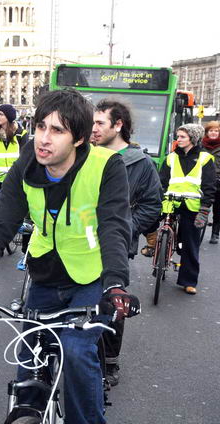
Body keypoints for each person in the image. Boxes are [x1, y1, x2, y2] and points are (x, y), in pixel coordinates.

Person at [0, 89, 138, 424]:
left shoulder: (106, 166)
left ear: (79, 138)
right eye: (40, 127)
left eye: (57, 130)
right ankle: (29, 411)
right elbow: (1, 225)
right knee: (29, 351)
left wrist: (116, 284)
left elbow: (115, 228)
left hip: (91, 278)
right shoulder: (27, 164)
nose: (44, 139)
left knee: (76, 352)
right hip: (45, 275)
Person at [91, 98, 162, 387]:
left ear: (118, 125)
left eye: (100, 123)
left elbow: (152, 204)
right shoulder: (85, 153)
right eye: (92, 123)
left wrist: (124, 228)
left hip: (116, 244)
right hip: (80, 241)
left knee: (112, 301)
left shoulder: (141, 163)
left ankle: (109, 362)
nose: (93, 129)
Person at [159, 124, 215, 295]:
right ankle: (154, 247)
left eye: (182, 136)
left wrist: (204, 210)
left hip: (192, 206)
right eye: (178, 136)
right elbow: (161, 182)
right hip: (170, 203)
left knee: (190, 243)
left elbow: (209, 186)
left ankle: (188, 281)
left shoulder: (205, 158)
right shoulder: (170, 158)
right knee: (150, 221)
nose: (178, 139)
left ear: (193, 138)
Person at [201, 121, 220, 244]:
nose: (214, 133)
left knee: (218, 210)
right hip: (203, 181)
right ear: (207, 132)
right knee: (202, 206)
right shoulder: (201, 146)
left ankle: (215, 233)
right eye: (211, 131)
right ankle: (199, 228)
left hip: (218, 182)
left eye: (216, 131)